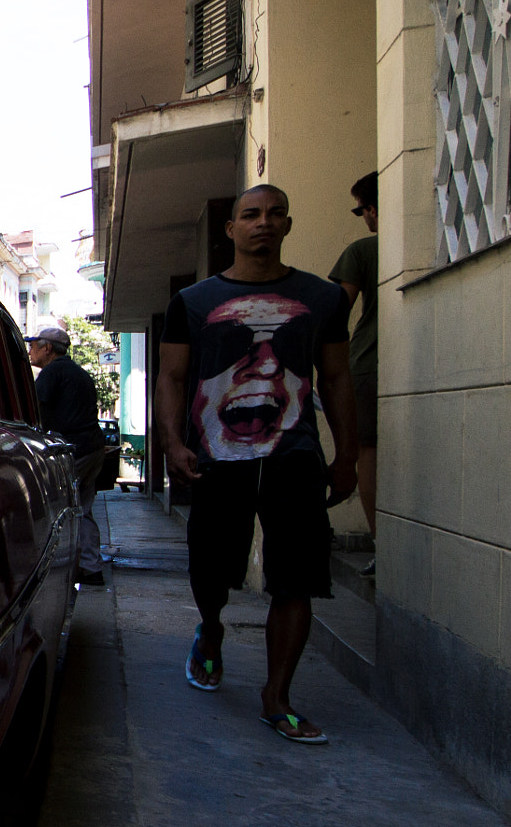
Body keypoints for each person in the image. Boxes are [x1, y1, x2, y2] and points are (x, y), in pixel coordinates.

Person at [155, 184, 355, 744]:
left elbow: (337, 377)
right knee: (211, 571)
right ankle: (212, 631)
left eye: (274, 214)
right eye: (250, 215)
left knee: (297, 580)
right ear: (232, 229)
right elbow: (172, 379)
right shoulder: (192, 304)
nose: (262, 223)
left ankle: (277, 696)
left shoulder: (322, 299)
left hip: (296, 458)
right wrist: (174, 443)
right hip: (216, 459)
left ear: (288, 224)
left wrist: (348, 455)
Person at [28, 325, 109, 586]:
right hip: (92, 446)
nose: (30, 350)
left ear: (47, 348)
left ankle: (58, 569)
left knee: (56, 509)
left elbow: (34, 412)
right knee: (82, 507)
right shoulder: (78, 373)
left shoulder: (52, 373)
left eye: (34, 345)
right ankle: (90, 567)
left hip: (73, 449)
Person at [328, 172, 379, 575]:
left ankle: (381, 544)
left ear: (372, 209)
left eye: (361, 210)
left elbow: (336, 313)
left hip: (369, 360)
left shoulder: (363, 250)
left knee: (370, 454)